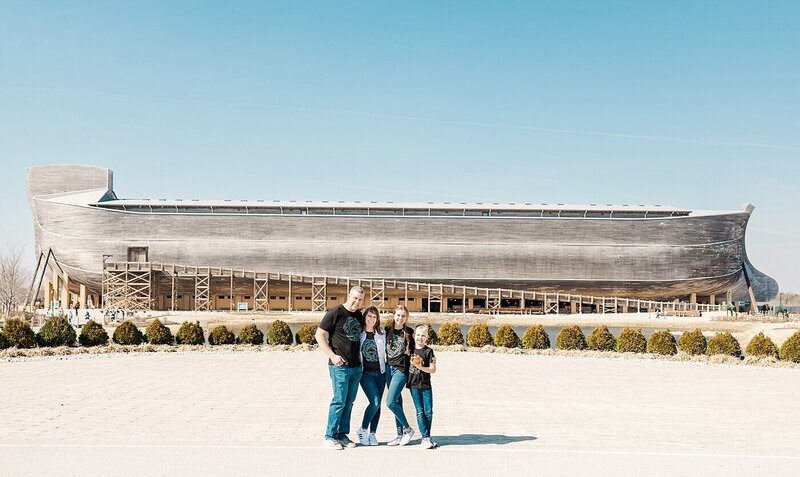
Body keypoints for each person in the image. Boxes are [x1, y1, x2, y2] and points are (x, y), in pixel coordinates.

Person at [315, 286, 365, 450]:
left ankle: (342, 435)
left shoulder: (358, 315)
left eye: (360, 300)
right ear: (349, 295)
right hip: (339, 366)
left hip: (356, 367)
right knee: (339, 401)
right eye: (355, 298)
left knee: (349, 402)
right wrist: (332, 355)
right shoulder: (335, 312)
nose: (357, 302)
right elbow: (319, 335)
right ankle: (329, 436)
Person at [385, 305, 416, 446]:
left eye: (403, 316)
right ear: (394, 315)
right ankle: (399, 435)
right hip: (388, 369)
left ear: (406, 318)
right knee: (397, 402)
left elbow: (415, 352)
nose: (400, 318)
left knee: (390, 402)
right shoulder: (386, 330)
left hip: (401, 370)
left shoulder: (409, 332)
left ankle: (408, 429)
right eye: (398, 315)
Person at [355, 306, 386, 446]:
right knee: (374, 401)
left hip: (381, 373)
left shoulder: (382, 333)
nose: (372, 319)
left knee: (378, 404)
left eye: (374, 317)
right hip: (366, 374)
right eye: (369, 316)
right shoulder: (359, 334)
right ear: (365, 317)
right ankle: (362, 429)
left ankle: (373, 434)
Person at [408, 324, 438, 449]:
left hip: (426, 385)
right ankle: (425, 437)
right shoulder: (410, 349)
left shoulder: (428, 351)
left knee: (429, 412)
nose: (420, 338)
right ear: (414, 336)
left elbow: (433, 369)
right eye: (418, 335)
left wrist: (421, 367)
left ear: (427, 337)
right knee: (420, 412)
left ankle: (427, 437)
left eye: (423, 335)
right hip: (414, 384)